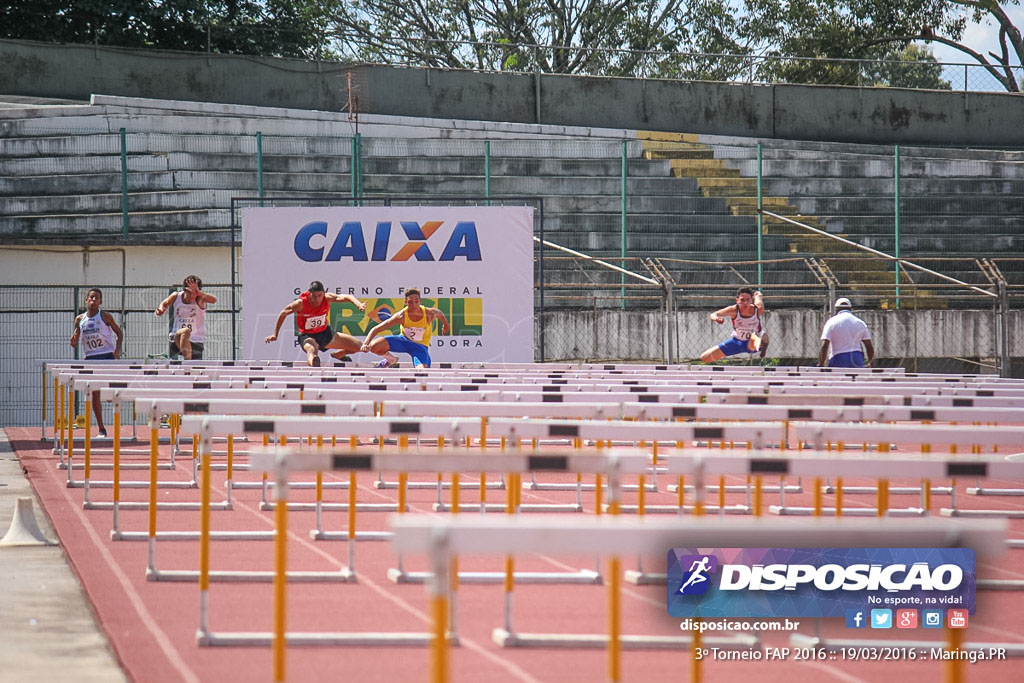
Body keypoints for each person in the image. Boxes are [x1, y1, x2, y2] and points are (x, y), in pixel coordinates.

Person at [264, 280, 366, 367]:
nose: (317, 299)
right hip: (307, 335)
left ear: (323, 293)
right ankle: (314, 363)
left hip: (325, 333)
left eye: (320, 295)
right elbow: (283, 313)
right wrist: (275, 334)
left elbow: (347, 297)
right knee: (312, 350)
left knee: (361, 346)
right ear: (309, 294)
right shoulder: (301, 303)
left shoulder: (328, 298)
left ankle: (339, 354)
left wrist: (359, 304)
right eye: (314, 296)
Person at [69, 287, 123, 438]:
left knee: (112, 388)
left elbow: (119, 333)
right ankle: (101, 429)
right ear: (86, 300)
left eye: (96, 298)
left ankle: (109, 393)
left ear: (100, 301)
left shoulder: (105, 316)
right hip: (91, 358)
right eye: (91, 297)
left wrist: (117, 351)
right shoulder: (80, 319)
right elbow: (75, 339)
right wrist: (73, 341)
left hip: (107, 356)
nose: (93, 300)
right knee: (94, 395)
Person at [358, 288, 450, 368]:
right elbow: (376, 329)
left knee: (422, 370)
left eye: (416, 301)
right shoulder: (401, 316)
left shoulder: (429, 313)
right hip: (403, 341)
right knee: (374, 346)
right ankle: (391, 360)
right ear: (406, 302)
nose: (413, 305)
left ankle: (422, 364)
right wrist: (365, 343)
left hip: (420, 346)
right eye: (410, 302)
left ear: (420, 301)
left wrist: (446, 325)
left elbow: (440, 313)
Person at [154, 275, 216, 360]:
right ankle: (187, 363)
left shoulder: (199, 299)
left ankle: (189, 365)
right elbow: (164, 303)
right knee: (185, 331)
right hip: (177, 338)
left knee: (197, 368)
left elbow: (213, 300)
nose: (191, 296)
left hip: (196, 341)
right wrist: (161, 310)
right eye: (189, 292)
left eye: (194, 293)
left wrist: (198, 293)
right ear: (184, 290)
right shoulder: (176, 296)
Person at [699, 287, 769, 362]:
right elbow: (713, 314)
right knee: (705, 357)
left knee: (754, 335)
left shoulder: (758, 309)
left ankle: (762, 344)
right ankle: (760, 341)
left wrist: (758, 296)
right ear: (737, 300)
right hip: (737, 341)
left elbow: (758, 299)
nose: (745, 303)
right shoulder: (733, 310)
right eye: (742, 300)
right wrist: (716, 318)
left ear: (751, 300)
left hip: (752, 343)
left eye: (748, 300)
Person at [819, 297, 875, 368]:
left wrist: (821, 364)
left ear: (836, 310)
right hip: (857, 358)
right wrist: (871, 365)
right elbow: (869, 346)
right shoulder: (860, 323)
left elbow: (825, 345)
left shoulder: (831, 322)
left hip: (838, 358)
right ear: (850, 309)